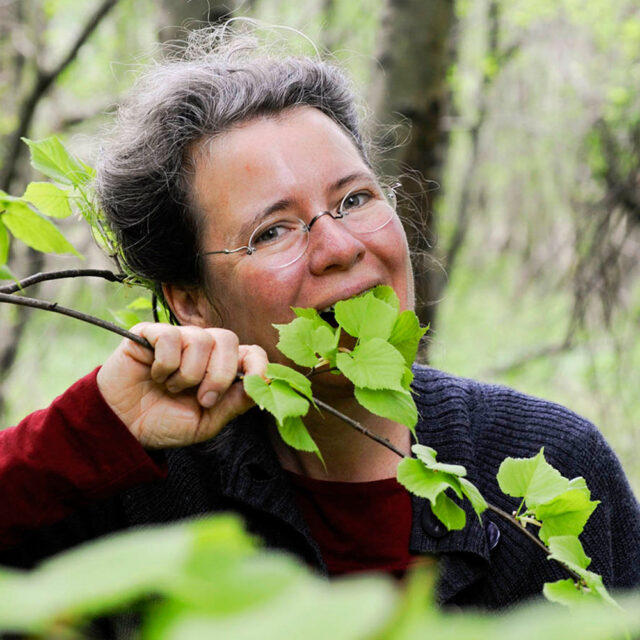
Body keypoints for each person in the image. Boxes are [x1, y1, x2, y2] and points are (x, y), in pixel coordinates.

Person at [1, 23, 639, 611]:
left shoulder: (553, 466)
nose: (340, 247)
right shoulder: (137, 495)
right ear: (190, 303)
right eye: (273, 231)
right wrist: (91, 432)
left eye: (355, 198)